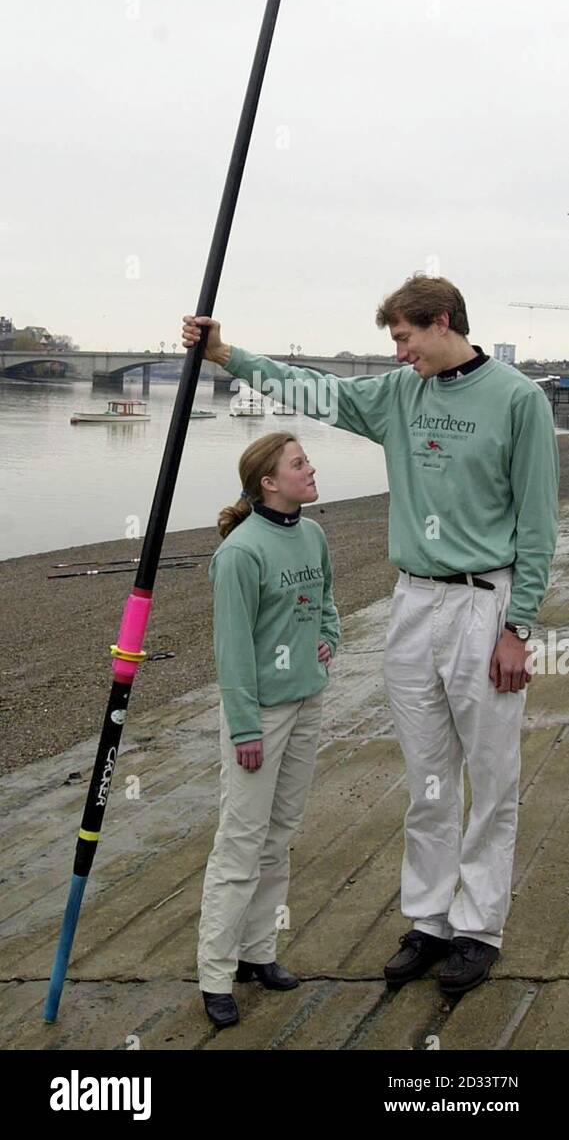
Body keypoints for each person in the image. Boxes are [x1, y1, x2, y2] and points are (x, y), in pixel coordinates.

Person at [183, 274, 559, 997]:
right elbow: (310, 389)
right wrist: (227, 354)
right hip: (413, 603)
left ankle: (478, 927)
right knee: (426, 777)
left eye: (403, 337)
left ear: (441, 321)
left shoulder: (517, 399)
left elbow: (538, 525)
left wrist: (519, 628)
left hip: (486, 601)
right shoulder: (397, 397)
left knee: (492, 777)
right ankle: (428, 921)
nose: (397, 353)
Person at [197, 431, 340, 1028]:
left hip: (306, 704)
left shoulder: (313, 534)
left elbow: (327, 599)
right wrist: (245, 729)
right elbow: (231, 654)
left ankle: (259, 952)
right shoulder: (240, 553)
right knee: (240, 843)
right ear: (268, 483)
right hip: (260, 718)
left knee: (280, 837)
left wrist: (329, 635)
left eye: (306, 460)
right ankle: (214, 973)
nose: (311, 470)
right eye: (298, 464)